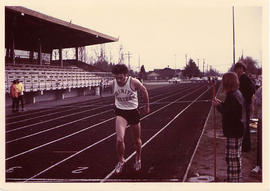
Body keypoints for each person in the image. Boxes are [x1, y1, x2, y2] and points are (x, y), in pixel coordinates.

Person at [109, 64, 150, 174]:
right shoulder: (112, 84)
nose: (119, 80)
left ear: (126, 75)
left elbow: (144, 91)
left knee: (136, 140)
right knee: (119, 139)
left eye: (121, 77)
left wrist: (147, 106)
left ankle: (138, 158)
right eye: (116, 77)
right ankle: (121, 160)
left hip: (133, 112)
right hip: (120, 112)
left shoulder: (134, 82)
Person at [212, 72, 246, 182]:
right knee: (232, 157)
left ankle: (234, 182)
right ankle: (232, 179)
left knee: (233, 159)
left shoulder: (232, 96)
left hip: (234, 131)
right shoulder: (236, 93)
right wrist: (220, 103)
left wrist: (218, 106)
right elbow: (230, 108)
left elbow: (228, 112)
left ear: (227, 83)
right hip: (236, 130)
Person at [234, 61, 255, 152]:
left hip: (245, 104)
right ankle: (244, 145)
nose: (238, 70)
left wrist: (246, 100)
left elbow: (251, 91)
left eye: (240, 68)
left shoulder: (245, 78)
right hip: (242, 104)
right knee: (243, 125)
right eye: (237, 69)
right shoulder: (239, 78)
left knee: (245, 125)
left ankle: (246, 146)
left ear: (243, 69)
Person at [251, 86, 262, 174]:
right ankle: (259, 165)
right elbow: (255, 100)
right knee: (260, 142)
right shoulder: (261, 89)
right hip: (262, 117)